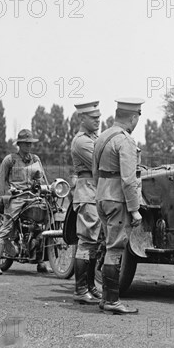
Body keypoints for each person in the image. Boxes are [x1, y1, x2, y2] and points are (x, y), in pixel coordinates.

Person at [93, 97, 145, 315]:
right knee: (115, 248)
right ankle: (112, 301)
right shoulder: (125, 141)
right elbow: (128, 179)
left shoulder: (102, 137)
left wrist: (102, 192)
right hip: (117, 199)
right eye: (137, 118)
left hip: (102, 196)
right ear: (133, 117)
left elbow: (95, 173)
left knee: (107, 246)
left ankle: (106, 298)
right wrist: (134, 209)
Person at [0, 129, 49, 275]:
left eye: (30, 143)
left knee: (45, 222)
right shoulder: (10, 159)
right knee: (6, 227)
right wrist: (5, 196)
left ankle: (41, 261)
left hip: (33, 196)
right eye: (26, 143)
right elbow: (1, 181)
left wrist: (44, 188)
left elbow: (43, 179)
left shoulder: (36, 159)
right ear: (19, 144)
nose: (29, 146)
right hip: (17, 198)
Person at [70, 101, 102, 305]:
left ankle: (90, 286)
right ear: (82, 118)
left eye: (98, 117)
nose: (98, 120)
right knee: (87, 241)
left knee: (95, 243)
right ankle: (81, 289)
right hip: (87, 191)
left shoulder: (94, 139)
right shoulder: (82, 142)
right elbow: (102, 164)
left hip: (95, 192)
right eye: (93, 118)